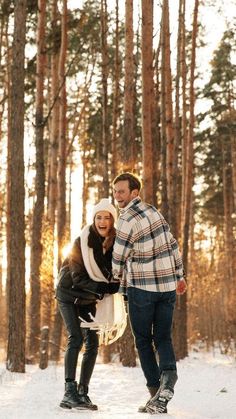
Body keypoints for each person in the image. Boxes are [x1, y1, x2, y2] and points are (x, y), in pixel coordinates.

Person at [112, 172, 187, 414]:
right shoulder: (154, 211)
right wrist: (180, 275)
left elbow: (119, 255)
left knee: (143, 341)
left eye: (121, 191)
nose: (117, 196)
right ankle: (167, 382)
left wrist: (114, 279)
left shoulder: (126, 218)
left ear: (134, 193)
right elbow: (172, 244)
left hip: (142, 289)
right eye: (115, 191)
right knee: (163, 337)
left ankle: (156, 393)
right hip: (167, 287)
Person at [56, 198, 120, 410]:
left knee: (92, 344)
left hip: (89, 298)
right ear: (94, 219)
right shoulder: (81, 241)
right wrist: (105, 289)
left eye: (107, 217)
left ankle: (83, 392)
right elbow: (78, 278)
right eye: (98, 217)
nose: (102, 221)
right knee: (75, 338)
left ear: (113, 221)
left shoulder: (115, 245)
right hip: (68, 294)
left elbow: (116, 272)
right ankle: (69, 392)